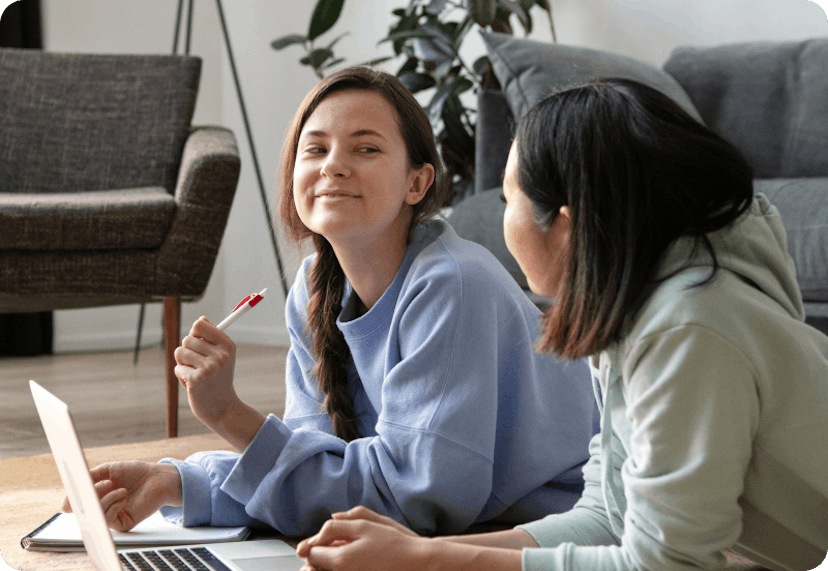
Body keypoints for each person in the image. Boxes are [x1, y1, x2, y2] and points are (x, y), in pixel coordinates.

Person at [295, 78, 828, 571]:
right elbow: (608, 517)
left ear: (567, 227)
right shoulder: (631, 316)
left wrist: (429, 562)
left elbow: (664, 563)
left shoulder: (684, 331)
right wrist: (419, 551)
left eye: (509, 199)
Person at [65, 66, 598, 538]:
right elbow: (316, 475)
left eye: (366, 148)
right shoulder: (316, 285)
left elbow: (413, 501)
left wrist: (229, 415)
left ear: (418, 182)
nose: (333, 166)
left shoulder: (453, 285)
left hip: (550, 530)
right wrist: (178, 480)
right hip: (459, 524)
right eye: (315, 149)